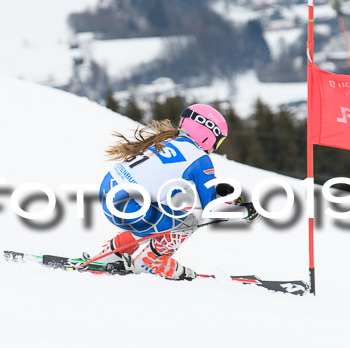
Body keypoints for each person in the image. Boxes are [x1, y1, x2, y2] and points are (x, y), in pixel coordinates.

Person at [94, 103, 258, 280]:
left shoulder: (167, 140)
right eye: (218, 141)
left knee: (168, 208)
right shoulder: (200, 159)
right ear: (207, 136)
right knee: (190, 218)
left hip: (109, 195)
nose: (214, 148)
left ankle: (113, 252)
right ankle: (151, 262)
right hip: (129, 210)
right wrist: (246, 212)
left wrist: (216, 188)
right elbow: (211, 209)